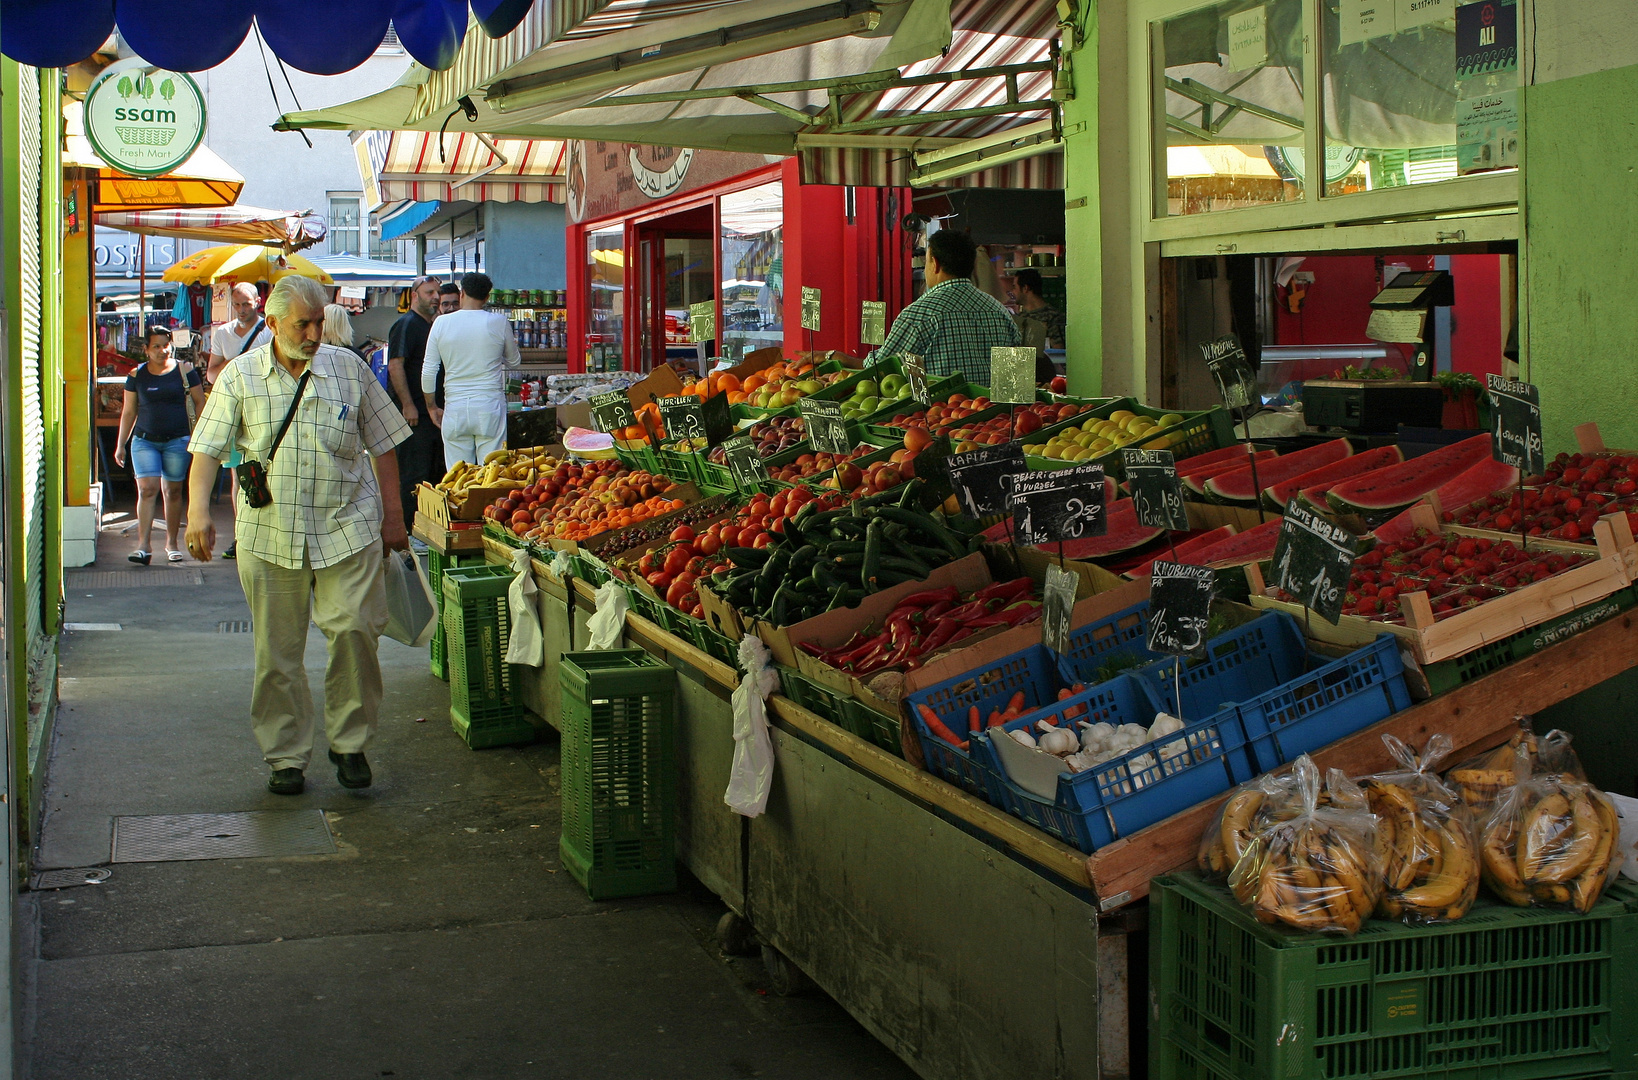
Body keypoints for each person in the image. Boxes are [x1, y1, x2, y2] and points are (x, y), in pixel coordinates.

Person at [183, 275, 412, 796]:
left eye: (318, 321)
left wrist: (394, 516)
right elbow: (207, 448)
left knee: (355, 630)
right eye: (302, 324)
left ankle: (350, 743)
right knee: (277, 652)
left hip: (347, 527)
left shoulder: (349, 370)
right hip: (269, 533)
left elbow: (385, 444)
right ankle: (285, 756)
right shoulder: (240, 377)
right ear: (272, 324)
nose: (313, 332)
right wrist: (198, 511)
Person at [869, 230, 1019, 384]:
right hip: (996, 407)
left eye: (927, 261)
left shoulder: (918, 315)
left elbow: (880, 367)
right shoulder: (1000, 311)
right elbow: (1016, 374)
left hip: (940, 407)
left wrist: (847, 360)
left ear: (935, 264)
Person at [112, 325, 205, 564]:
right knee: (147, 489)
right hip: (145, 441)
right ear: (146, 350)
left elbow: (199, 402)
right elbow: (129, 411)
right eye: (156, 346)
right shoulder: (136, 375)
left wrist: (200, 437)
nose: (163, 350)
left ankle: (172, 544)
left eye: (166, 345)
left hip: (178, 440)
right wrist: (121, 444)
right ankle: (143, 546)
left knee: (173, 491)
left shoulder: (185, 370)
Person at [421, 272, 520, 469]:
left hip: (455, 408)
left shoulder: (441, 323)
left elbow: (429, 370)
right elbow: (514, 362)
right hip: (489, 406)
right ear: (486, 297)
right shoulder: (498, 322)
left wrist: (431, 406)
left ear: (462, 293)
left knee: (457, 477)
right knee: (493, 473)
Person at [207, 282, 273, 560]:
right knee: (239, 474)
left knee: (269, 471)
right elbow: (211, 374)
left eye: (247, 303)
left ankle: (268, 533)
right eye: (237, 304)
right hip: (236, 410)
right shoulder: (223, 333)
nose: (242, 309)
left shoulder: (269, 331)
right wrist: (237, 362)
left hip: (265, 410)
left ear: (258, 302)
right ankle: (241, 535)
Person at [386, 276, 443, 522]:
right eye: (429, 292)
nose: (436, 297)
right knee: (413, 474)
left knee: (432, 473)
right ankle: (410, 528)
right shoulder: (407, 324)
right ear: (415, 296)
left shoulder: (432, 326)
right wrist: (407, 405)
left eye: (437, 293)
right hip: (414, 416)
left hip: (432, 414)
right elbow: (395, 366)